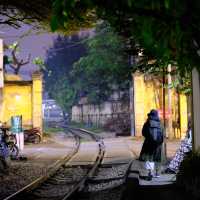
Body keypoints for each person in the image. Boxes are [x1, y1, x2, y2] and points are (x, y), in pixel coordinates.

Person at [139, 109, 164, 177]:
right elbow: (163, 135)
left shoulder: (147, 123)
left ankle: (150, 172)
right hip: (158, 145)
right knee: (158, 158)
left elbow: (143, 133)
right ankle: (158, 173)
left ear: (150, 115)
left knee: (149, 157)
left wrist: (149, 138)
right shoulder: (160, 123)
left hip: (148, 143)